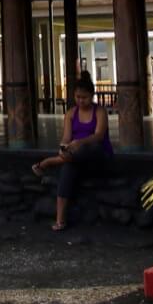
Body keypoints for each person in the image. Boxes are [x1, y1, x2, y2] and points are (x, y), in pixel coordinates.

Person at [31, 71, 111, 231]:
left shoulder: (100, 111)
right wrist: (64, 147)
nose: (81, 101)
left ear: (92, 95)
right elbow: (66, 137)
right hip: (74, 156)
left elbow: (99, 136)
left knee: (88, 149)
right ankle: (60, 220)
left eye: (85, 97)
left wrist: (80, 142)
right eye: (78, 97)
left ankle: (48, 162)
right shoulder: (71, 114)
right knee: (68, 167)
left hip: (97, 155)